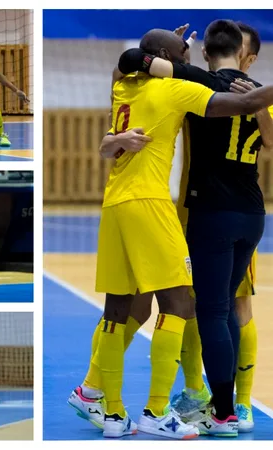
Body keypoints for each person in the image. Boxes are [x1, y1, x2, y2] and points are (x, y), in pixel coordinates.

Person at [91, 28, 273, 439]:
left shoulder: (184, 82)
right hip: (224, 209)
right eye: (181, 53)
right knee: (202, 306)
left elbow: (122, 71)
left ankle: (221, 403)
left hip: (187, 209)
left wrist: (144, 58)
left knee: (180, 307)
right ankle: (196, 396)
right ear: (243, 54)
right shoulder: (187, 85)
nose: (188, 54)